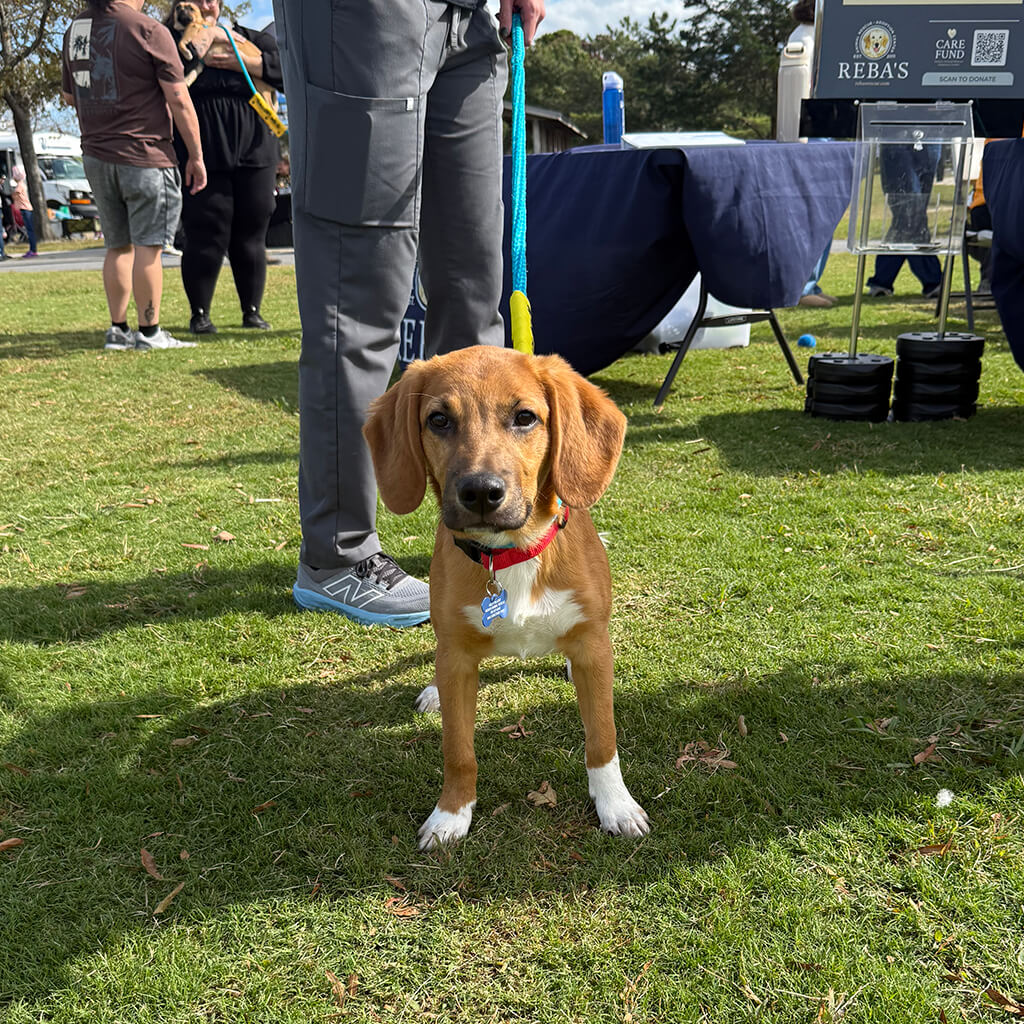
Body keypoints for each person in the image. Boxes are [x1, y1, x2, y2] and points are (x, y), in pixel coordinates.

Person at [272, 0, 545, 627]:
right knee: (357, 303)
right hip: (366, 17)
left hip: (474, 22)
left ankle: (489, 530)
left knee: (477, 295)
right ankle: (338, 558)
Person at [61, 0, 207, 351]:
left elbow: (69, 96)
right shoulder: (149, 30)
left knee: (117, 245)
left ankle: (118, 329)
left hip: (96, 154)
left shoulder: (74, 30)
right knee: (149, 246)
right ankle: (150, 331)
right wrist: (197, 156)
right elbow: (179, 99)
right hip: (144, 154)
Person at [167, 0, 284, 335]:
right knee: (205, 231)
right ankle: (199, 314)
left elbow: (287, 72)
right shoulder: (177, 41)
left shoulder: (250, 39)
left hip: (256, 150)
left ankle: (252, 311)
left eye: (212, 0)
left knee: (252, 231)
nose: (205, 6)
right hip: (203, 153)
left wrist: (250, 62)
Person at [776, 0, 836, 308]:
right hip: (811, 132)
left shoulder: (821, 33)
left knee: (826, 212)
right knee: (814, 213)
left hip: (823, 129)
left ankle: (811, 282)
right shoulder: (805, 37)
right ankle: (802, 287)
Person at [865, 143, 943, 299]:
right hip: (897, 138)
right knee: (910, 210)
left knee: (913, 213)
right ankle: (933, 281)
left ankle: (882, 280)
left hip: (931, 137)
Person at [10, 167, 38, 259]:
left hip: (25, 209)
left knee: (30, 230)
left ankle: (33, 250)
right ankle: (32, 249)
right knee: (29, 230)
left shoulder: (19, 186)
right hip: (26, 209)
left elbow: (15, 195)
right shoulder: (22, 185)